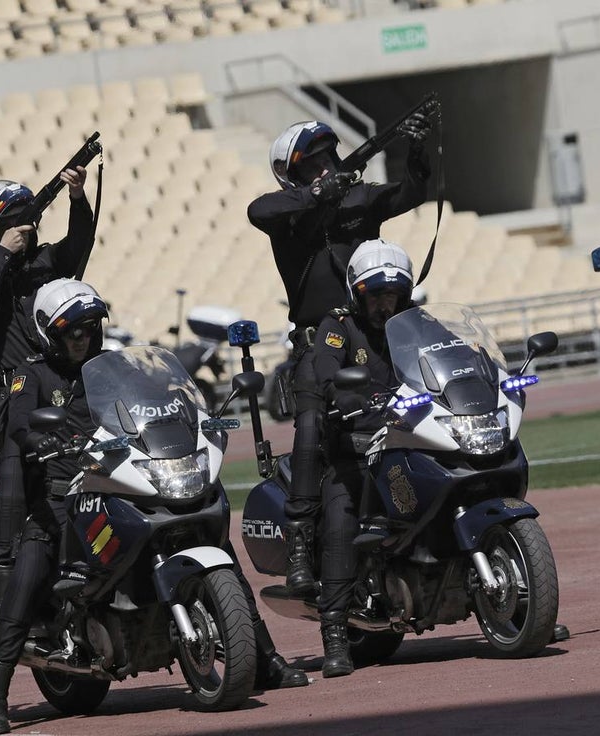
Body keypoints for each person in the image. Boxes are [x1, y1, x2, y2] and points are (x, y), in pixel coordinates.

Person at [0, 279, 305, 736]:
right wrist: (38, 438)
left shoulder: (112, 368)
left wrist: (194, 417)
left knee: (221, 552)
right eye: (72, 329)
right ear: (49, 331)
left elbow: (164, 397)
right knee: (30, 569)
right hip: (59, 492)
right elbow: (18, 427)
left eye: (90, 327)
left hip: (118, 478)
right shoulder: (31, 375)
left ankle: (263, 659)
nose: (81, 336)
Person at [247, 114, 432, 595]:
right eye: (313, 164)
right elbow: (257, 210)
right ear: (294, 175)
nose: (326, 167)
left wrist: (416, 154)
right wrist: (316, 197)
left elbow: (409, 193)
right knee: (309, 433)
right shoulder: (288, 213)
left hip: (379, 336)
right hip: (318, 344)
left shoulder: (359, 197)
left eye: (330, 157)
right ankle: (301, 547)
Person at [0, 169, 92, 620]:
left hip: (64, 392)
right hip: (15, 400)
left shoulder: (44, 265)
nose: (24, 230)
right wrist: (3, 254)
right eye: (10, 224)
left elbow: (77, 248)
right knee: (15, 475)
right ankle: (2, 582)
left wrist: (76, 198)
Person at [310, 239, 415, 677]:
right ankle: (334, 631)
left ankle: (524, 597)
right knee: (341, 521)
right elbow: (324, 372)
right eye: (377, 296)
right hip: (355, 446)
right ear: (358, 294)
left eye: (392, 295)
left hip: (409, 437)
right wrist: (340, 393)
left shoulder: (412, 324)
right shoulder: (338, 327)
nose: (384, 305)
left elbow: (446, 354)